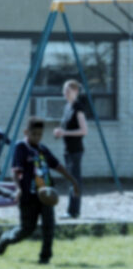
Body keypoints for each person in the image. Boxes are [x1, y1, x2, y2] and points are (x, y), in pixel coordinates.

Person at [0, 118, 79, 264]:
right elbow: (15, 172)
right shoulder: (20, 147)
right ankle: (6, 238)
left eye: (40, 134)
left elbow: (58, 166)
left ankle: (45, 258)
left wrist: (73, 181)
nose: (37, 137)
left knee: (49, 226)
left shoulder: (43, 149)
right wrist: (18, 189)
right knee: (26, 229)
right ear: (26, 132)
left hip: (45, 194)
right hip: (28, 196)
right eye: (34, 134)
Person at [53, 80, 88, 218]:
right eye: (64, 90)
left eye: (68, 90)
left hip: (76, 150)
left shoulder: (78, 108)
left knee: (75, 180)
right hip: (67, 150)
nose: (65, 93)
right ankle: (71, 210)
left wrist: (65, 133)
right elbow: (67, 127)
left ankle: (74, 211)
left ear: (76, 92)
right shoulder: (67, 107)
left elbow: (84, 130)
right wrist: (59, 131)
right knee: (71, 180)